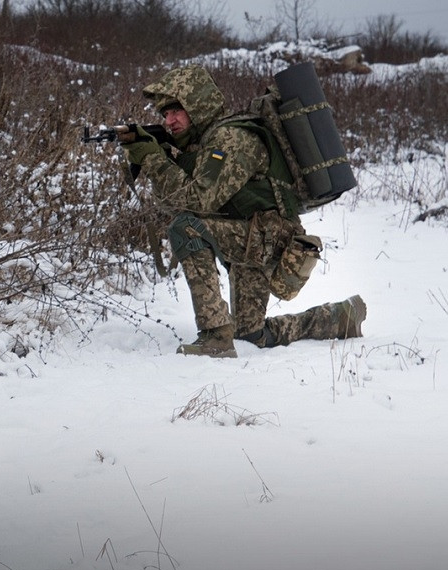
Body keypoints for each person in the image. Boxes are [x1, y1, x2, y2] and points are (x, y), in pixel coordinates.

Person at [120, 65, 366, 357]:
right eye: (164, 114)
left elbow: (198, 201)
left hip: (266, 239)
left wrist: (154, 160)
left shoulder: (231, 139)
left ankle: (214, 337)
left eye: (176, 110)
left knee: (186, 227)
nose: (169, 120)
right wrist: (156, 158)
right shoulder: (205, 142)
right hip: (251, 236)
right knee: (252, 335)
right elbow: (177, 199)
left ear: (197, 105)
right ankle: (340, 318)